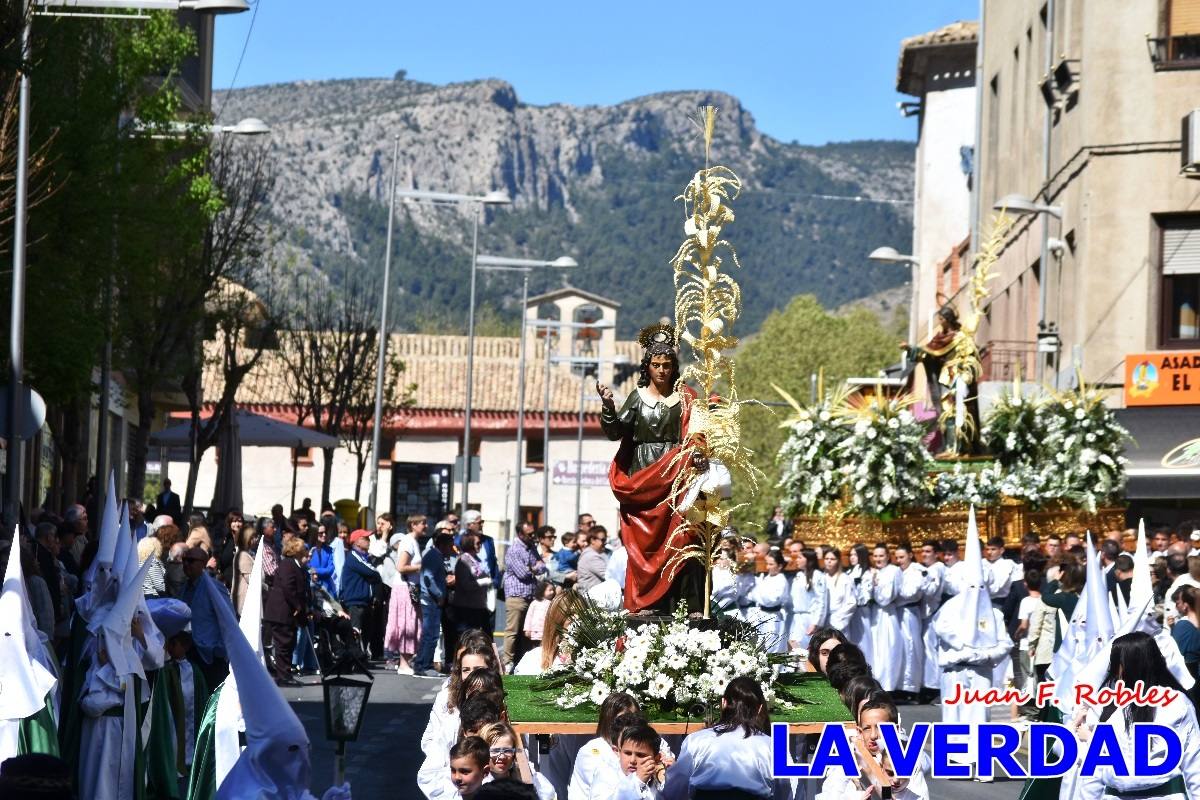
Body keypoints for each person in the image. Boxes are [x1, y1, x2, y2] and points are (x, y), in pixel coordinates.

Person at [599, 322, 707, 614]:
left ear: (674, 366)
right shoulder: (638, 398)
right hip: (644, 477)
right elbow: (616, 432)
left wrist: (697, 454)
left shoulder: (686, 397)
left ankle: (687, 605)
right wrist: (608, 408)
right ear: (647, 367)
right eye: (657, 365)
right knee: (645, 544)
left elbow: (698, 433)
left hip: (677, 476)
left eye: (667, 364)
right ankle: (649, 602)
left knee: (684, 537)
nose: (662, 370)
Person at [663, 677, 789, 800]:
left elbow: (675, 791)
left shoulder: (696, 741)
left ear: (723, 703)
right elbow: (784, 792)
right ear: (759, 709)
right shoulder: (773, 747)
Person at [263, 536, 310, 686]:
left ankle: (286, 673)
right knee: (283, 644)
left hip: (287, 612)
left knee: (288, 643)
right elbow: (288, 588)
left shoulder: (296, 566)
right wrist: (297, 606)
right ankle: (283, 676)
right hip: (281, 611)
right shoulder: (287, 565)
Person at [502, 522, 546, 671]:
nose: (533, 536)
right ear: (520, 534)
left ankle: (523, 660)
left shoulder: (532, 548)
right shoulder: (514, 550)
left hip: (530, 595)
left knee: (527, 632)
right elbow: (523, 573)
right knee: (512, 631)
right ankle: (507, 661)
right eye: (530, 534)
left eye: (533, 533)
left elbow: (543, 566)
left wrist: (533, 568)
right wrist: (534, 568)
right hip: (516, 596)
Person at [384, 515, 425, 675]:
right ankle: (403, 663)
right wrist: (420, 566)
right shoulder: (408, 541)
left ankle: (406, 662)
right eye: (423, 523)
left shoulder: (412, 541)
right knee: (406, 624)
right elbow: (401, 566)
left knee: (412, 624)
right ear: (413, 525)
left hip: (409, 587)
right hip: (405, 588)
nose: (425, 526)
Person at [414, 532, 457, 677]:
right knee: (430, 634)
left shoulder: (436, 556)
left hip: (433, 599)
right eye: (450, 546)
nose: (451, 549)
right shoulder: (433, 556)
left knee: (430, 634)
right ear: (443, 545)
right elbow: (428, 578)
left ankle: (422, 664)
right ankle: (424, 666)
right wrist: (438, 595)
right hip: (431, 600)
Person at [594, 721, 665, 800]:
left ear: (656, 758)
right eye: (627, 753)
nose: (632, 760)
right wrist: (638, 782)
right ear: (619, 752)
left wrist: (672, 777)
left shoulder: (661, 776)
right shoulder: (606, 774)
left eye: (640, 755)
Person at [450, 533, 494, 658]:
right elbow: (465, 584)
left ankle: (490, 662)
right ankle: (460, 662)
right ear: (470, 544)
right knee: (465, 637)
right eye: (477, 543)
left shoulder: (476, 560)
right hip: (466, 606)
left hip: (479, 604)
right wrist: (482, 582)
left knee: (486, 636)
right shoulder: (463, 560)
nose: (480, 545)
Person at [340, 529, 382, 651]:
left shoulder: (364, 557)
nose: (369, 541)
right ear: (357, 542)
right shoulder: (354, 557)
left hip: (364, 601)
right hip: (355, 601)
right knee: (355, 631)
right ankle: (355, 659)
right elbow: (373, 572)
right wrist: (375, 575)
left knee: (365, 632)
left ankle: (362, 657)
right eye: (366, 538)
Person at [749, 550, 789, 654]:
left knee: (772, 648)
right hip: (760, 615)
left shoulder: (781, 580)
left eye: (771, 564)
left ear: (780, 566)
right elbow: (752, 594)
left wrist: (759, 593)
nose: (767, 567)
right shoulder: (766, 577)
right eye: (767, 563)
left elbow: (771, 600)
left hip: (773, 618)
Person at [787, 547, 825, 651]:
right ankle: (796, 668)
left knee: (806, 649)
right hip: (796, 617)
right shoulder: (799, 575)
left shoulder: (817, 576)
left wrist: (815, 623)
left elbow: (821, 601)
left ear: (808, 559)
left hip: (809, 617)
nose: (797, 560)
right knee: (793, 647)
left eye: (800, 557)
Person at [522, 581, 556, 651]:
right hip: (535, 632)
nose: (552, 592)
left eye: (553, 590)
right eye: (550, 590)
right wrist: (527, 629)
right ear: (542, 590)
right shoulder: (534, 603)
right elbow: (529, 616)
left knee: (545, 649)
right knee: (535, 649)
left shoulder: (551, 603)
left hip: (546, 632)